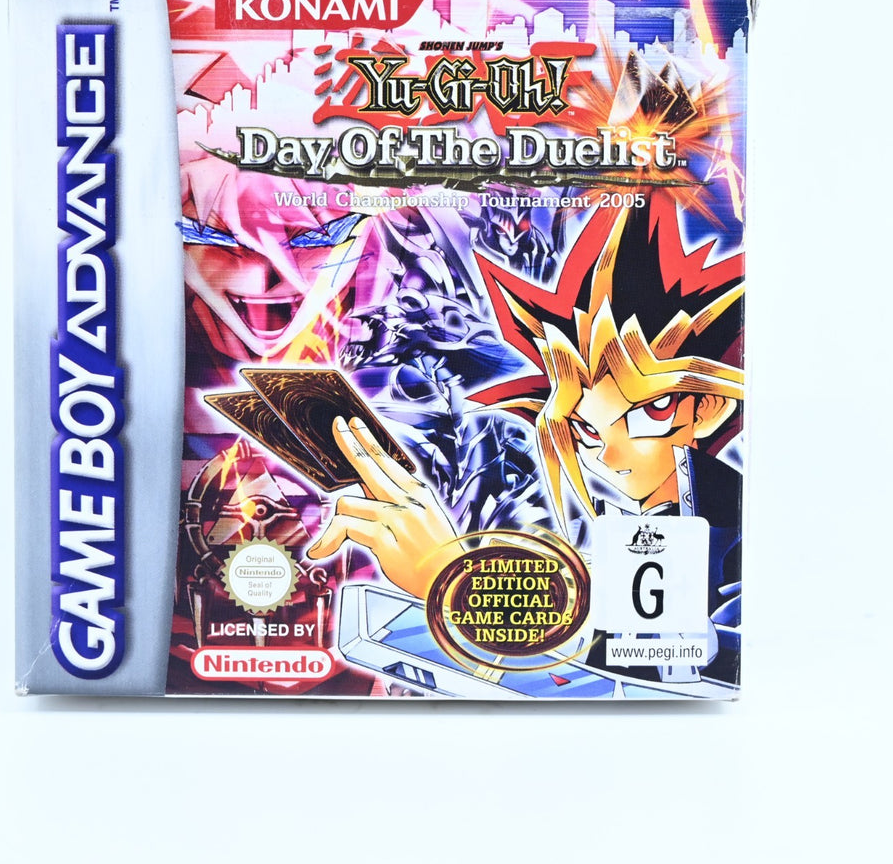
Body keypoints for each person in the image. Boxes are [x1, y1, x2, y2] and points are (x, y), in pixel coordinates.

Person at [306, 193, 744, 682]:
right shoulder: (647, 521)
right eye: (585, 429)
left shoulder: (732, 527)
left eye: (647, 413)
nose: (609, 454)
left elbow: (681, 672)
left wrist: (452, 582)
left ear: (709, 407)